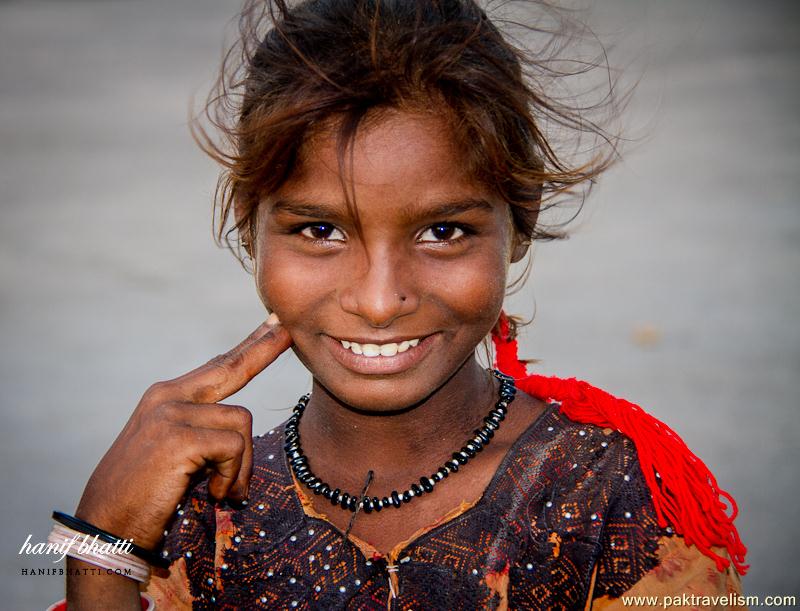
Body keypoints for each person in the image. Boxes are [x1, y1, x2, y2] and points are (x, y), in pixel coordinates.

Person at [53, 0, 748, 609]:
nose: (381, 300)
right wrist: (101, 551)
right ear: (249, 226)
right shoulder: (199, 515)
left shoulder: (610, 502)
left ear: (518, 223)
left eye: (443, 231)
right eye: (320, 230)